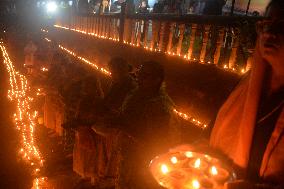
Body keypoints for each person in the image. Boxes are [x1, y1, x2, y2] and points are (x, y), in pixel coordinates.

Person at [175, 1, 284, 188]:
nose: (269, 32)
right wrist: (197, 151)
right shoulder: (246, 87)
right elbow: (214, 133)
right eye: (266, 23)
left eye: (282, 25)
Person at [94, 61, 174, 188]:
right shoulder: (137, 94)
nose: (140, 79)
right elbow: (126, 115)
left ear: (157, 79)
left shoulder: (160, 106)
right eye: (139, 74)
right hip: (128, 154)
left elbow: (154, 140)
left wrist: (122, 126)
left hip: (144, 161)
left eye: (145, 76)